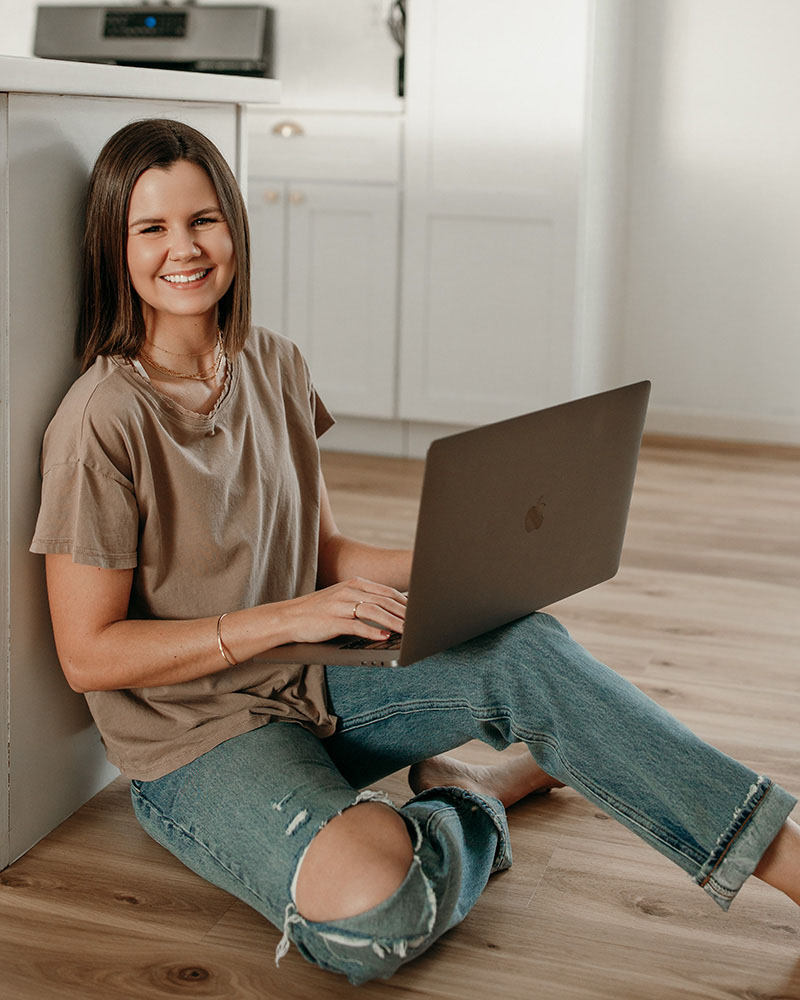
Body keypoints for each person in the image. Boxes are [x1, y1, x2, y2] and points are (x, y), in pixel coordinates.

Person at [30, 119, 799, 986]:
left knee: (527, 648)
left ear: (235, 226)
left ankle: (790, 862)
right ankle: (475, 798)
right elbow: (87, 653)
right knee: (375, 916)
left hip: (314, 678)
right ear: (112, 246)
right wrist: (287, 616)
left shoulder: (274, 364)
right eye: (153, 228)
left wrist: (481, 562)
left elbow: (323, 551)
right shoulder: (101, 422)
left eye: (204, 219)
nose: (186, 249)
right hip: (197, 739)